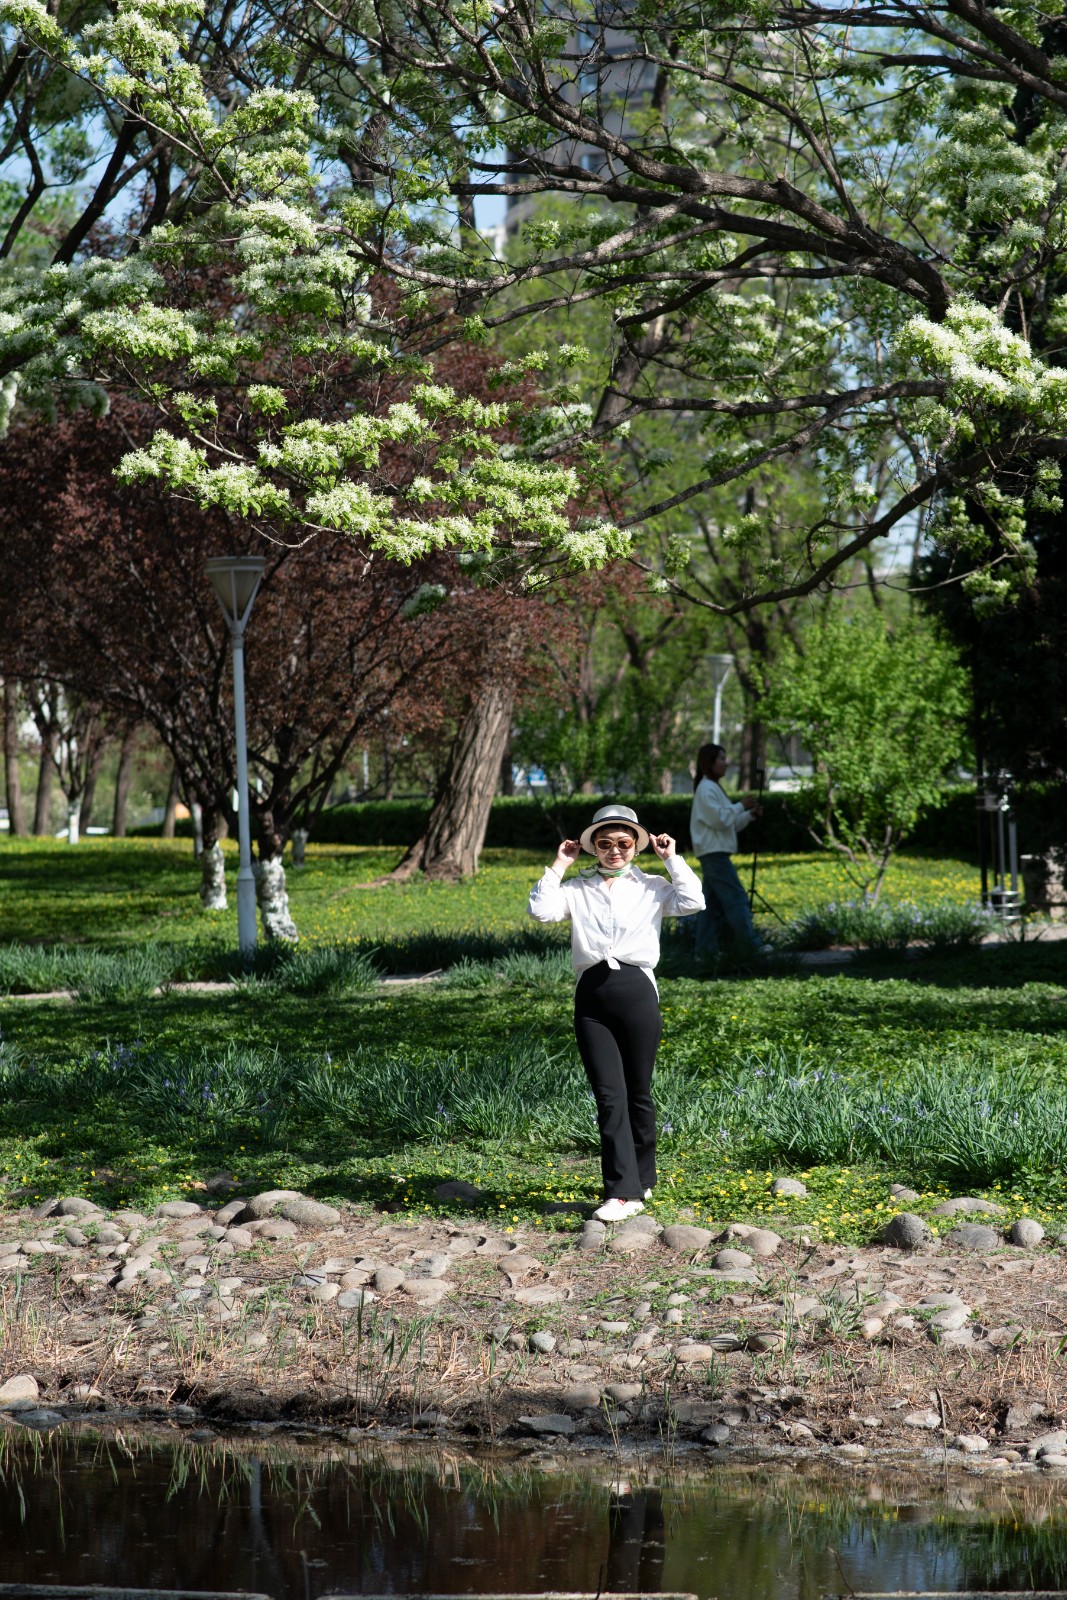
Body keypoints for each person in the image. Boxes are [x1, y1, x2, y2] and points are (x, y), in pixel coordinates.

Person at [528, 804, 704, 1223]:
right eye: (604, 843)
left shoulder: (653, 886)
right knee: (609, 1096)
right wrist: (559, 864)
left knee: (638, 1092)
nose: (614, 851)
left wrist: (671, 858)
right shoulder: (577, 888)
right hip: (592, 998)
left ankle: (642, 1178)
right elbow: (541, 911)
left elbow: (693, 901)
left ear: (636, 846)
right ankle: (622, 1192)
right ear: (592, 847)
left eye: (623, 843)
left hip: (637, 992)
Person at [690, 742, 764, 958]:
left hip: (714, 853)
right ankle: (751, 947)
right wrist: (741, 805)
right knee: (736, 898)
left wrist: (749, 815)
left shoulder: (711, 787)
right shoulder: (707, 789)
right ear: (709, 763)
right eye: (721, 759)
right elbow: (720, 819)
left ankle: (704, 953)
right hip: (714, 855)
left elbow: (729, 823)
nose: (726, 763)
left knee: (710, 906)